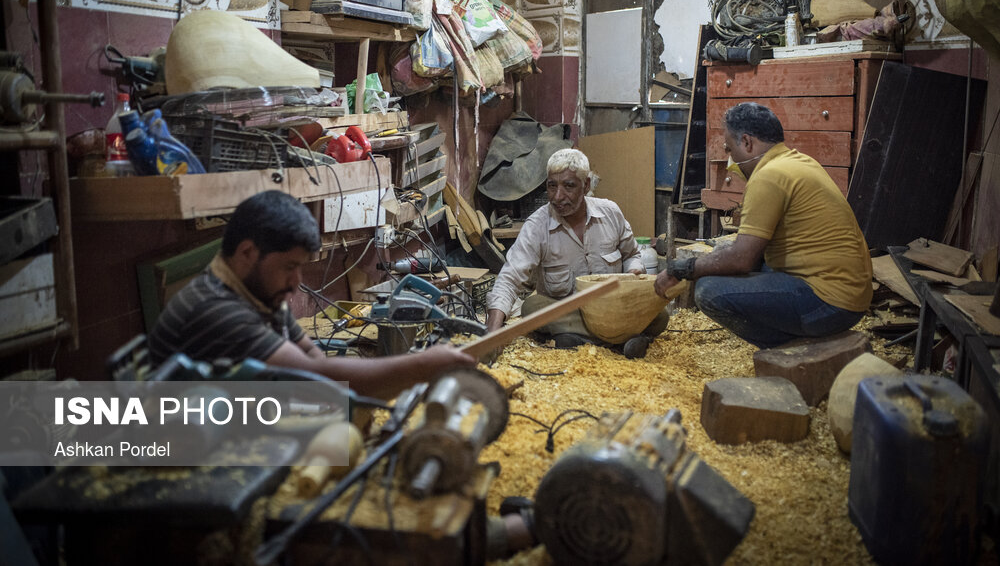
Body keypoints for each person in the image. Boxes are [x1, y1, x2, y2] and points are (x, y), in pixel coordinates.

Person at [148, 190, 474, 399]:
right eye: (289, 266)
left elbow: (313, 360)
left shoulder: (257, 291)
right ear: (247, 252)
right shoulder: (216, 309)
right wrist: (419, 366)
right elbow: (313, 375)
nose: (296, 282)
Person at [655, 102, 872, 347]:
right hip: (851, 297)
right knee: (725, 262)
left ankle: (786, 351)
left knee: (708, 291)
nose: (730, 158)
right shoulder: (797, 161)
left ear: (747, 142)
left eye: (730, 149)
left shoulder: (769, 176)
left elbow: (741, 259)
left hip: (830, 303)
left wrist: (680, 269)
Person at [486, 148, 669, 359]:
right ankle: (620, 340)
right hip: (571, 313)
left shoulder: (610, 212)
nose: (558, 196)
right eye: (551, 186)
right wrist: (492, 333)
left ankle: (579, 340)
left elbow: (632, 255)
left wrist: (634, 274)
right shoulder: (537, 226)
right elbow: (509, 279)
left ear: (587, 185)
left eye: (569, 186)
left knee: (661, 316)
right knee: (532, 307)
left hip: (614, 310)